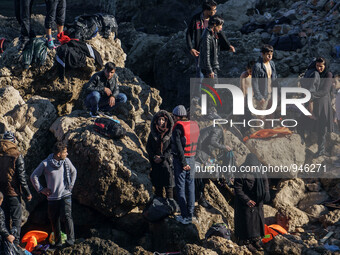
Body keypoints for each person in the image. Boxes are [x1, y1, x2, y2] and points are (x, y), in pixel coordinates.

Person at [31, 142, 77, 247]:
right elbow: (33, 176)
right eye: (65, 152)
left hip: (65, 194)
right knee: (54, 219)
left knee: (67, 215)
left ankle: (71, 240)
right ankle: (58, 242)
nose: (67, 154)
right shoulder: (45, 164)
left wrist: (70, 186)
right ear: (58, 154)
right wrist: (41, 189)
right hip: (52, 197)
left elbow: (74, 171)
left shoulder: (66, 161)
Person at [0, 131, 32, 246]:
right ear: (13, 141)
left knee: (4, 218)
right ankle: (16, 244)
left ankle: (6, 243)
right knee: (16, 219)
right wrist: (27, 193)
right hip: (13, 192)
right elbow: (21, 177)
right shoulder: (16, 154)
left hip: (1, 194)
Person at [234, 153, 270, 253]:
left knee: (258, 221)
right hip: (244, 201)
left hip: (258, 199)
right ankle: (247, 241)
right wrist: (247, 200)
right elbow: (238, 189)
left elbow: (265, 181)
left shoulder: (260, 168)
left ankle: (256, 240)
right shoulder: (241, 171)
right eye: (251, 167)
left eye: (254, 167)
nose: (253, 169)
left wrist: (266, 192)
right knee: (247, 222)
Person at [171, 105, 200, 224]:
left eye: (174, 116)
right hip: (192, 158)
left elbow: (178, 147)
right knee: (191, 187)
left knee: (180, 188)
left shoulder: (178, 128)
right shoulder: (194, 124)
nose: (173, 118)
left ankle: (184, 215)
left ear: (178, 116)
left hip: (181, 160)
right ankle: (191, 213)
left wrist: (183, 163)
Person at [146, 110, 175, 199]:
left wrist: (162, 157)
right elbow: (148, 147)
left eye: (163, 120)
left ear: (166, 121)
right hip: (155, 164)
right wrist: (154, 157)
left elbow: (171, 148)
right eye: (159, 120)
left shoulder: (170, 134)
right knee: (158, 188)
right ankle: (160, 208)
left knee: (169, 188)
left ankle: (170, 207)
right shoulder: (153, 133)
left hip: (167, 163)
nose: (160, 122)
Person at [199, 15, 235, 79]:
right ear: (215, 25)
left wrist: (227, 48)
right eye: (220, 25)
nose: (221, 28)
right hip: (209, 69)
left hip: (212, 67)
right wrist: (209, 70)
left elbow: (214, 49)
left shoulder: (213, 33)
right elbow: (206, 54)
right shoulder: (207, 36)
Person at [252, 44, 277, 111]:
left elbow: (275, 79)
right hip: (263, 94)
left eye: (271, 54)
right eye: (267, 54)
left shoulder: (272, 64)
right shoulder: (257, 66)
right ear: (262, 54)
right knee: (261, 116)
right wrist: (259, 97)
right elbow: (254, 83)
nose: (270, 56)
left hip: (271, 93)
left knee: (271, 114)